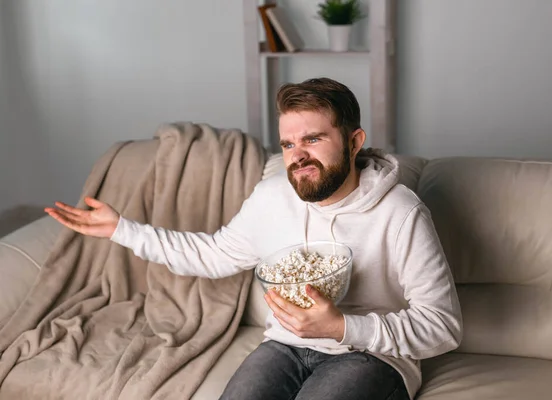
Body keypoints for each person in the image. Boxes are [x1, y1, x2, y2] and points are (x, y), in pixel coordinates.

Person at [45, 77, 462, 400]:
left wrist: (341, 327)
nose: (297, 156)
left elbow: (444, 326)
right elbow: (213, 255)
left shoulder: (400, 212)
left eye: (313, 139)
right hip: (285, 346)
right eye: (288, 143)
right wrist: (121, 228)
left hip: (372, 355)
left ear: (354, 142)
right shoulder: (272, 196)